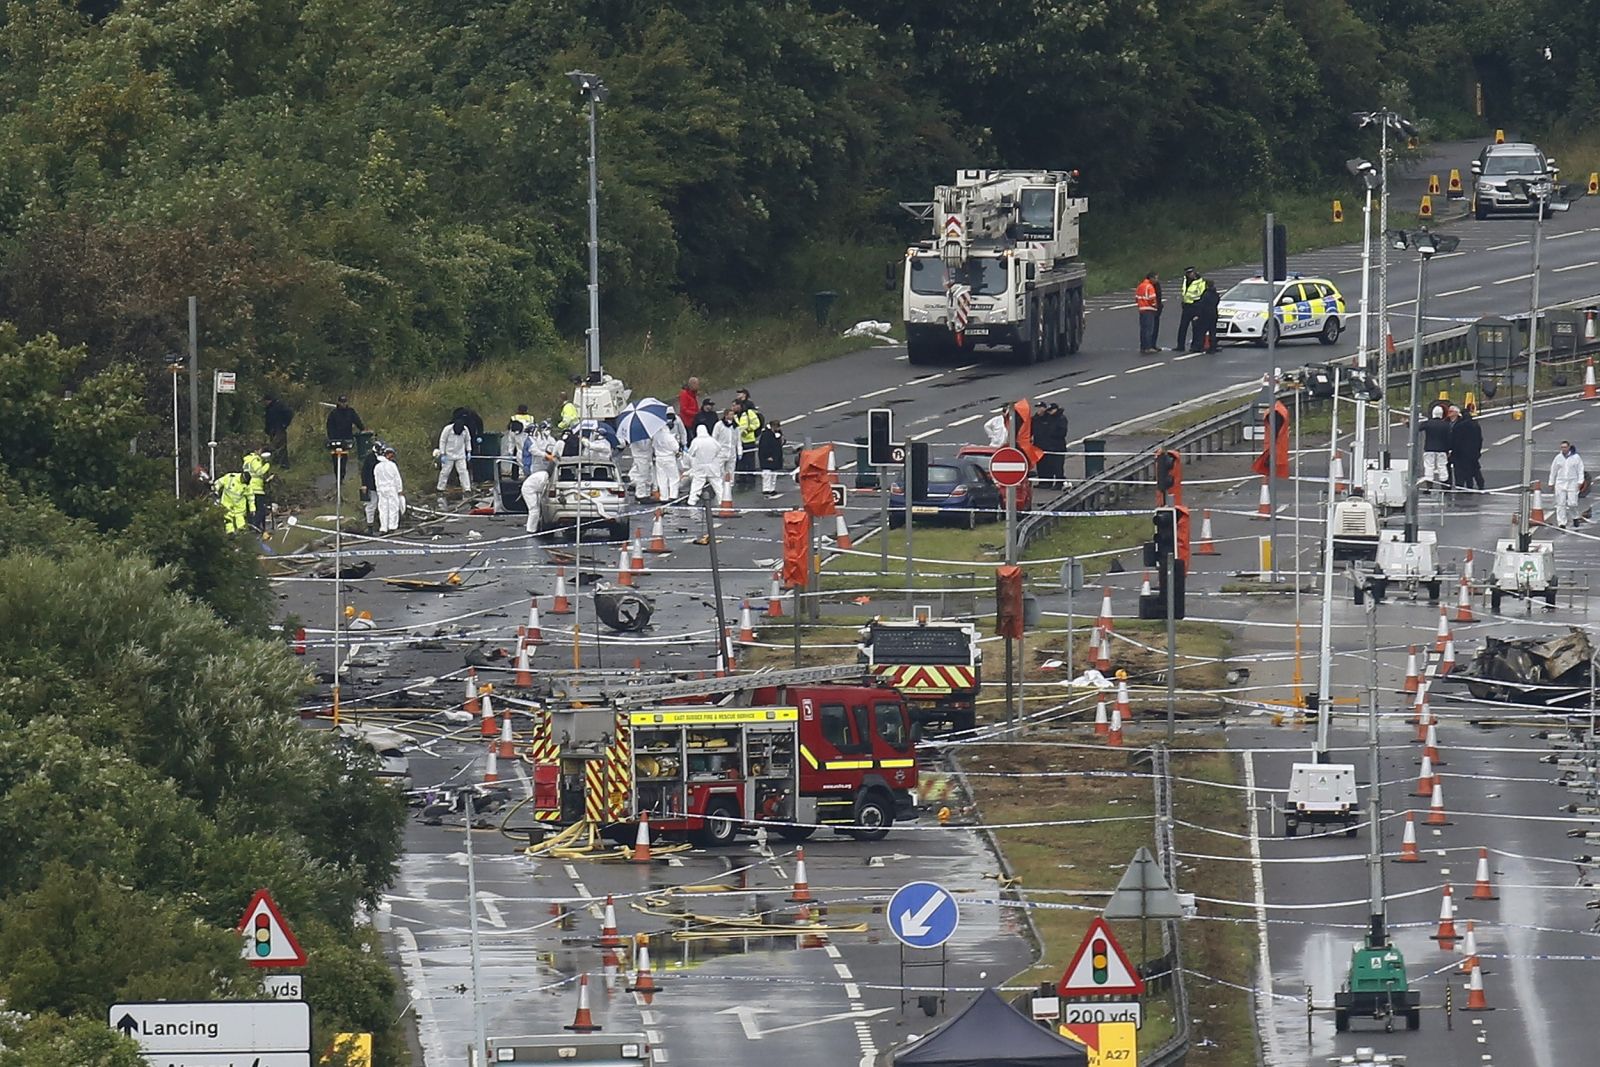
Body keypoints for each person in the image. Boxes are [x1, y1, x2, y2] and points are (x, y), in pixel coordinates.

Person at [325, 395, 365, 480]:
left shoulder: (350, 412)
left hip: (346, 438)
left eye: (345, 402)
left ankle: (342, 476)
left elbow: (357, 421)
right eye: (341, 402)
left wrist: (363, 429)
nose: (343, 404)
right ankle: (337, 477)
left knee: (344, 459)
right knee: (335, 460)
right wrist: (331, 437)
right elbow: (329, 426)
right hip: (335, 439)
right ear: (338, 402)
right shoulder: (333, 413)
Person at [1549, 440, 1585, 528]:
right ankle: (1562, 522)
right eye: (1562, 447)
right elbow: (1553, 470)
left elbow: (1580, 470)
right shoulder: (1558, 457)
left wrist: (1580, 481)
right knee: (1560, 503)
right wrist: (1551, 482)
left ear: (1569, 447)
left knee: (1572, 503)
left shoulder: (1576, 457)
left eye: (1565, 447)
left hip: (1572, 482)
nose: (1563, 449)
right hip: (1560, 482)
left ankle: (1575, 516)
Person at [520, 444, 555, 533]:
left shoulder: (544, 475)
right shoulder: (545, 477)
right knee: (534, 509)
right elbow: (543, 491)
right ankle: (531, 530)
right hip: (529, 490)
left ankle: (535, 527)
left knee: (537, 509)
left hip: (535, 489)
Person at [1034, 403, 1069, 488]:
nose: (1049, 412)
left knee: (1057, 467)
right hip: (1047, 446)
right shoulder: (1048, 418)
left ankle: (1059, 483)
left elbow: (1062, 432)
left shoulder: (1061, 418)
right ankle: (1045, 483)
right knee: (1045, 466)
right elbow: (1037, 422)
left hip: (1057, 447)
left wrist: (1050, 435)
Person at [686, 424, 722, 505]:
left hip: (700, 466)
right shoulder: (712, 440)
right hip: (712, 465)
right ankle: (722, 500)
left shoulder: (696, 441)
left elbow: (691, 453)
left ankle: (692, 501)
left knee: (697, 484)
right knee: (717, 484)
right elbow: (719, 449)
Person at [1450, 403, 1484, 490]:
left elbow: (1455, 441)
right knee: (1475, 468)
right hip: (1473, 451)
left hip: (1461, 453)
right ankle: (1480, 484)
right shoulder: (1476, 425)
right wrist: (1478, 450)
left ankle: (1461, 485)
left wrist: (1453, 451)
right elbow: (1480, 439)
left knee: (1460, 470)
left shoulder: (1458, 426)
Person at [734, 390, 764, 484]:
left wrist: (748, 430)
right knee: (740, 460)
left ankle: (751, 478)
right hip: (738, 442)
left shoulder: (748, 413)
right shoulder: (734, 416)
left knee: (750, 460)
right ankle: (741, 477)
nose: (733, 408)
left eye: (734, 405)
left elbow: (757, 423)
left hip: (749, 440)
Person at [374, 446, 405, 534]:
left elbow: (376, 479)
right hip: (391, 488)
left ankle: (383, 527)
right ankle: (392, 526)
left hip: (381, 489)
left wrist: (378, 490)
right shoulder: (392, 465)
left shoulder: (377, 466)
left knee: (383, 509)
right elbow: (397, 478)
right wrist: (400, 489)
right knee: (393, 507)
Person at [653, 413, 684, 501]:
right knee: (673, 477)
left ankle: (664, 497)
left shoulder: (656, 435)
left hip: (659, 458)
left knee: (662, 478)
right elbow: (676, 448)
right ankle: (673, 496)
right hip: (669, 458)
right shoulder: (669, 437)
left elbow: (653, 446)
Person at [437, 417, 472, 492]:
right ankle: (440, 488)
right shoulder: (447, 429)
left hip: (460, 455)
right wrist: (442, 453)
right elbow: (442, 441)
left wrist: (469, 451)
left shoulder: (465, 430)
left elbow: (467, 440)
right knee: (445, 472)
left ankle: (467, 489)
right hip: (448, 455)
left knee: (463, 471)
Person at [1420, 405, 1452, 487]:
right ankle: (1444, 485)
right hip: (1442, 449)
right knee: (1442, 467)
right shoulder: (1446, 425)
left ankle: (1429, 486)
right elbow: (1449, 438)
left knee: (1429, 467)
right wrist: (1449, 450)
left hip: (1429, 449)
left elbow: (1416, 428)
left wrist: (1407, 424)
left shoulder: (1428, 423)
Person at [242, 446, 272, 530]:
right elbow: (259, 472)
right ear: (256, 451)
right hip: (256, 489)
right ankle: (256, 527)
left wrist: (265, 480)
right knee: (261, 510)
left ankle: (251, 528)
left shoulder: (247, 460)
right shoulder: (255, 459)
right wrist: (267, 465)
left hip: (248, 488)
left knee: (251, 510)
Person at [1174, 267, 1203, 351]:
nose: (1190, 275)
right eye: (1188, 273)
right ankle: (1180, 346)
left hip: (1196, 305)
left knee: (1196, 327)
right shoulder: (1185, 280)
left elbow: (1202, 295)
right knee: (1183, 327)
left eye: (1191, 273)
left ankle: (1195, 346)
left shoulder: (1200, 282)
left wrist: (1200, 308)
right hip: (1187, 306)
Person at [712, 407, 740, 492]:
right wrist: (714, 451)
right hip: (721, 452)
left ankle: (729, 487)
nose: (732, 416)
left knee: (731, 470)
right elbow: (714, 438)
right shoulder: (719, 425)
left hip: (731, 452)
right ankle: (720, 488)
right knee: (720, 471)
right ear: (725, 415)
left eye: (733, 414)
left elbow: (738, 439)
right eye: (730, 414)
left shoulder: (735, 426)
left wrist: (739, 450)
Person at [1193, 275, 1221, 353]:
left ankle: (1200, 346)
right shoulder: (1216, 294)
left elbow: (1202, 305)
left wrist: (1197, 315)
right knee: (1213, 331)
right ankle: (1213, 347)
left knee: (1202, 331)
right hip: (1214, 314)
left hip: (1205, 315)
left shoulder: (1206, 295)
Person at [263, 395, 294, 467]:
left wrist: (285, 424)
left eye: (265, 401)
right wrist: (267, 429)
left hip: (279, 428)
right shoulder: (269, 407)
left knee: (281, 446)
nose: (264, 403)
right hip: (272, 429)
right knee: (274, 446)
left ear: (268, 400)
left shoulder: (279, 405)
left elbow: (289, 413)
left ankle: (284, 464)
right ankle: (277, 462)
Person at [757, 420, 786, 496]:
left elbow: (780, 443)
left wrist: (782, 440)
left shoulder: (777, 433)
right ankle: (766, 489)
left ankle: (772, 489)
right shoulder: (766, 435)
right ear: (774, 427)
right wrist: (767, 456)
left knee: (774, 474)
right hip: (767, 457)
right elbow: (764, 447)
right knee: (767, 474)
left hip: (775, 456)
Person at [628, 428, 656, 501]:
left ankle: (646, 493)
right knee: (642, 477)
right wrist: (651, 440)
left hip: (647, 458)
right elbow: (644, 447)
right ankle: (640, 494)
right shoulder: (635, 437)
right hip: (640, 458)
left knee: (648, 477)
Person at [359, 441, 382, 530]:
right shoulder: (370, 458)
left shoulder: (383, 458)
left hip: (382, 487)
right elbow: (364, 472)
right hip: (371, 486)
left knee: (383, 506)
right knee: (371, 505)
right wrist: (364, 484)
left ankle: (383, 525)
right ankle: (370, 526)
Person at [1135, 271, 1160, 353]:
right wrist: (1155, 306)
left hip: (1142, 309)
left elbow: (1136, 297)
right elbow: (1152, 298)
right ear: (1151, 278)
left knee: (1143, 329)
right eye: (1156, 278)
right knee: (1149, 329)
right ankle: (1148, 347)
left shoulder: (1140, 286)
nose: (1156, 280)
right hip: (1149, 309)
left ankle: (1143, 346)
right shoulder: (1150, 287)